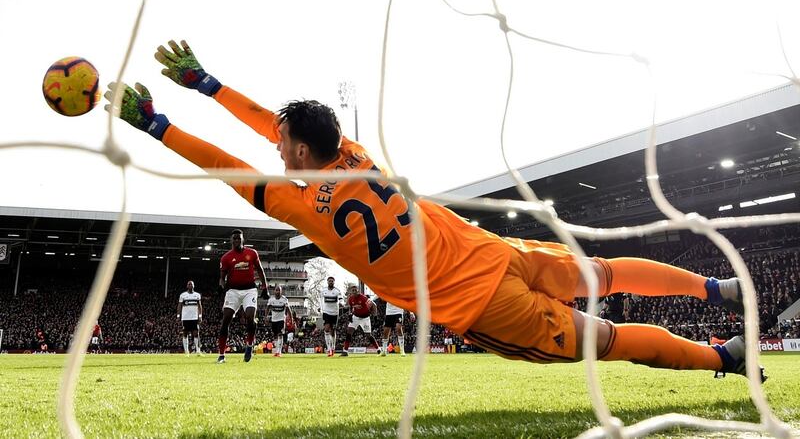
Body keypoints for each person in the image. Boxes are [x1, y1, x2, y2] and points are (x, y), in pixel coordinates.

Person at [105, 39, 762, 381]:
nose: (274, 149)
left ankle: (725, 359)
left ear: (302, 150)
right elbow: (263, 127)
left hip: (479, 302)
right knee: (605, 272)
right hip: (496, 251)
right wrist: (208, 84)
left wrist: (158, 123)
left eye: (283, 145)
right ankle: (718, 289)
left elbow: (226, 163)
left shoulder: (298, 201)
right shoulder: (355, 157)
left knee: (610, 343)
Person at [217, 229, 267, 363]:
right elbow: (222, 277)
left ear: (243, 239)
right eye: (235, 239)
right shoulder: (226, 257)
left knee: (250, 317)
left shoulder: (252, 253)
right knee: (226, 320)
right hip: (233, 291)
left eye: (239, 238)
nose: (237, 241)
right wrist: (221, 285)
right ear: (231, 240)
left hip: (249, 289)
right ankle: (221, 355)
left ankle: (249, 346)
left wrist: (265, 287)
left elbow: (260, 270)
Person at [341, 284, 380, 357]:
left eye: (356, 290)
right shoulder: (350, 299)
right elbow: (350, 307)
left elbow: (374, 305)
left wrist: (375, 316)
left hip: (365, 318)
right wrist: (350, 314)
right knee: (349, 332)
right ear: (351, 292)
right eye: (353, 290)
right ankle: (345, 351)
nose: (354, 291)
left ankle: (378, 349)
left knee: (368, 335)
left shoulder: (363, 298)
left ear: (358, 291)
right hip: (355, 317)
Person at [177, 280, 203, 355]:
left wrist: (200, 316)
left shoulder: (197, 295)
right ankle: (186, 352)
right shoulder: (183, 295)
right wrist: (178, 316)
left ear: (194, 286)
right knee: (185, 333)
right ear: (187, 286)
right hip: (185, 318)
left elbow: (200, 306)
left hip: (194, 317)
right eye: (189, 284)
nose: (190, 285)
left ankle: (198, 351)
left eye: (191, 284)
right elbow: (179, 306)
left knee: (196, 333)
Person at [267, 285, 293, 357]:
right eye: (276, 290)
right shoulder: (271, 299)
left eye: (279, 290)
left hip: (281, 320)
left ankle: (279, 352)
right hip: (273, 320)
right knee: (275, 335)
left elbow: (288, 309)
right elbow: (268, 308)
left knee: (280, 334)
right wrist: (266, 317)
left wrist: (291, 318)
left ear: (281, 291)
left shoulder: (284, 299)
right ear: (274, 291)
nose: (277, 291)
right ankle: (276, 351)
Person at [320, 276, 341, 357]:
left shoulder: (337, 291)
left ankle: (333, 347)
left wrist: (341, 302)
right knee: (326, 329)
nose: (330, 282)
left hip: (335, 312)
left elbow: (341, 299)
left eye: (332, 281)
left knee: (333, 331)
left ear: (334, 282)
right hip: (326, 312)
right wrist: (320, 308)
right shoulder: (323, 290)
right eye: (329, 281)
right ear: (327, 282)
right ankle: (328, 349)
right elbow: (321, 300)